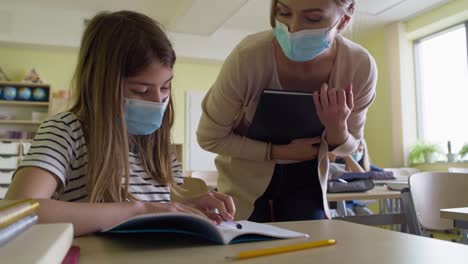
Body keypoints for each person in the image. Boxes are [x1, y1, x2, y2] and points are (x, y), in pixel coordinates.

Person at [6, 11, 235, 236]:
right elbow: (19, 210)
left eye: (165, 87)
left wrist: (184, 207)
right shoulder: (66, 131)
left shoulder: (158, 144)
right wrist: (137, 210)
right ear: (103, 84)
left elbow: (154, 215)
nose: (158, 101)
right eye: (141, 90)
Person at [197, 0, 377, 221]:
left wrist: (337, 128)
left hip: (308, 183)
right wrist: (280, 152)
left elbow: (350, 147)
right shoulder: (247, 57)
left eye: (312, 18)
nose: (293, 28)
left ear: (344, 19)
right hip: (244, 183)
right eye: (283, 13)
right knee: (247, 249)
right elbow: (209, 138)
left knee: (309, 250)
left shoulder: (359, 66)